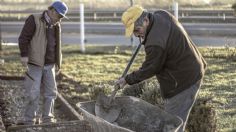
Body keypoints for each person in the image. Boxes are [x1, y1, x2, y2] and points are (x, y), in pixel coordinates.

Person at [115, 5, 207, 132]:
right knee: (174, 122)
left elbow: (150, 68)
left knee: (172, 125)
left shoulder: (155, 42)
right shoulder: (160, 15)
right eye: (134, 33)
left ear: (146, 21)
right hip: (191, 68)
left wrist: (127, 80)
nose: (136, 35)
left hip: (183, 81)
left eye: (137, 30)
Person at [18, 1, 68, 125]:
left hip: (50, 65)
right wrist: (24, 55)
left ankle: (48, 119)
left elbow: (57, 45)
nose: (60, 19)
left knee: (51, 93)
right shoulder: (34, 19)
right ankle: (30, 120)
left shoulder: (56, 24)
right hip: (35, 63)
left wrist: (58, 63)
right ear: (52, 11)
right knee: (33, 93)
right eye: (59, 16)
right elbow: (23, 38)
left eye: (62, 17)